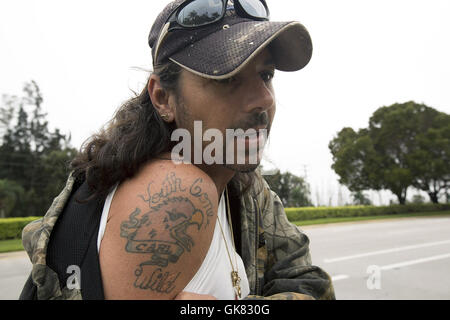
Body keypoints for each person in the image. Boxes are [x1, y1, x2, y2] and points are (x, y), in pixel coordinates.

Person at [20, 0, 335, 300]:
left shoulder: (247, 190)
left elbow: (309, 280)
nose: (263, 100)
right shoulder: (179, 193)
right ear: (162, 98)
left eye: (265, 75)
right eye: (227, 79)